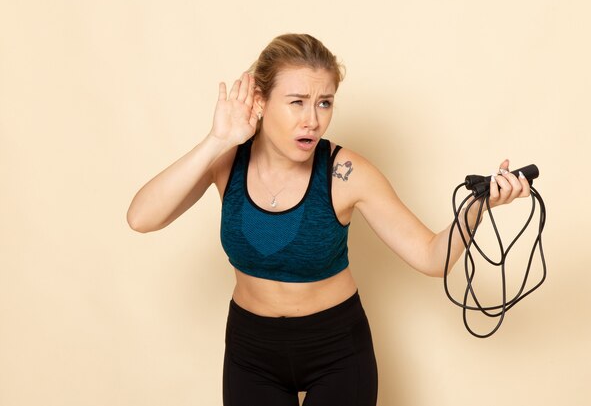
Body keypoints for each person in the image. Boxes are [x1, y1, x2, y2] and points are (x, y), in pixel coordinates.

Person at [126, 33, 530, 406]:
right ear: (261, 101)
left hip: (336, 350)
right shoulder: (228, 160)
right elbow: (142, 218)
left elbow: (429, 257)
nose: (313, 120)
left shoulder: (347, 173)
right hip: (251, 351)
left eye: (325, 102)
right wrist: (217, 139)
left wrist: (480, 206)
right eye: (297, 101)